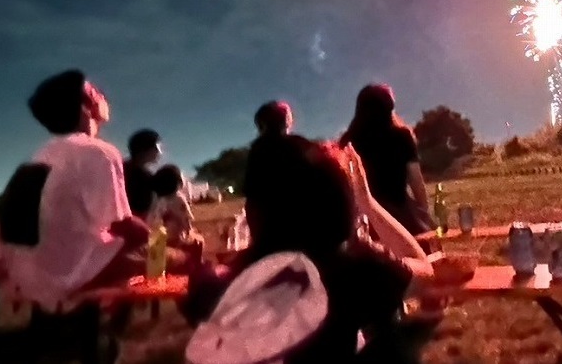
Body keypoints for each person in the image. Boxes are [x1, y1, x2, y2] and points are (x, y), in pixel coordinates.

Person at [188, 135, 469, 362]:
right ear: (340, 205)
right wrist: (368, 202)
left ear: (252, 214)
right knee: (395, 345)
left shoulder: (216, 287)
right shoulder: (357, 272)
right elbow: (424, 269)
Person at [2, 70, 155, 311]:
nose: (101, 94)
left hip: (26, 275)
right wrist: (159, 240)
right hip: (67, 277)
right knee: (168, 257)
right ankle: (114, 327)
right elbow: (124, 226)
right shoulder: (98, 152)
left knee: (135, 249)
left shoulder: (41, 154)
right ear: (84, 107)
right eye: (92, 90)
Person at [338, 84, 433, 237]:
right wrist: (424, 215)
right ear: (390, 108)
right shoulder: (402, 137)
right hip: (402, 219)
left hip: (366, 220)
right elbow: (416, 181)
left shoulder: (348, 141)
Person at [149, 164, 205, 267]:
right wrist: (189, 231)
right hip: (176, 238)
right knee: (199, 242)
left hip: (159, 239)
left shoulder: (157, 201)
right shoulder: (179, 198)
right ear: (178, 181)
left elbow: (152, 220)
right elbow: (186, 218)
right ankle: (197, 267)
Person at [124, 129, 162, 219]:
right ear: (144, 149)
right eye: (157, 147)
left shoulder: (119, 168)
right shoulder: (146, 179)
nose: (159, 152)